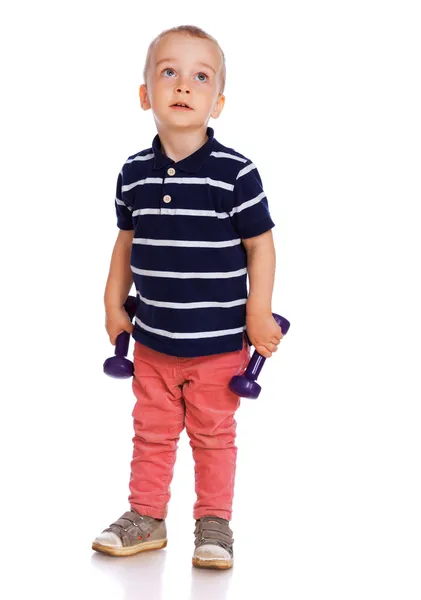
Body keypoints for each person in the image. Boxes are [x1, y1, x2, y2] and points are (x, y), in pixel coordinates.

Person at [92, 24, 283, 570]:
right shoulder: (133, 173)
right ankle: (146, 518)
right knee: (151, 435)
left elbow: (261, 247)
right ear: (145, 94)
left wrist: (258, 311)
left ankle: (213, 524)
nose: (183, 86)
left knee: (212, 437)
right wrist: (112, 305)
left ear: (216, 101)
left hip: (218, 344)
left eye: (199, 77)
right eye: (168, 72)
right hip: (152, 342)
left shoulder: (235, 173)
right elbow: (126, 243)